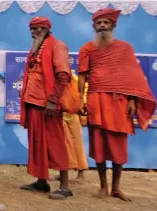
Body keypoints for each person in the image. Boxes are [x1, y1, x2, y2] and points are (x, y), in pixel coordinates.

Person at [78, 8, 156, 201]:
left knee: (118, 145)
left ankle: (116, 188)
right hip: (96, 100)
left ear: (113, 25)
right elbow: (82, 76)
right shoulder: (87, 48)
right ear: (94, 26)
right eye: (99, 23)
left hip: (119, 102)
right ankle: (103, 186)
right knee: (98, 145)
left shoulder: (125, 48)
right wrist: (81, 99)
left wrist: (132, 100)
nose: (102, 25)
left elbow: (133, 77)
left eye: (106, 22)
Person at [19, 16, 73, 200]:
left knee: (55, 144)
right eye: (32, 29)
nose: (34, 32)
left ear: (47, 29)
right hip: (33, 103)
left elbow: (63, 75)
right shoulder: (35, 48)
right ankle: (41, 182)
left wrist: (53, 100)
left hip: (48, 105)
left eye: (38, 29)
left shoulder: (57, 45)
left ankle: (65, 186)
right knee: (37, 145)